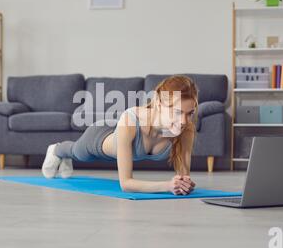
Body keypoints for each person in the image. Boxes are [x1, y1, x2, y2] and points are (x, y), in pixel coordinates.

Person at [42, 75, 199, 195]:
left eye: (189, 113)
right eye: (177, 112)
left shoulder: (186, 129)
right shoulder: (131, 119)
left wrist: (184, 184)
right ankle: (56, 149)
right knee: (78, 153)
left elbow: (184, 177)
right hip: (98, 137)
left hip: (119, 133)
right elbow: (126, 184)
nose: (183, 121)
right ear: (158, 103)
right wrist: (166, 186)